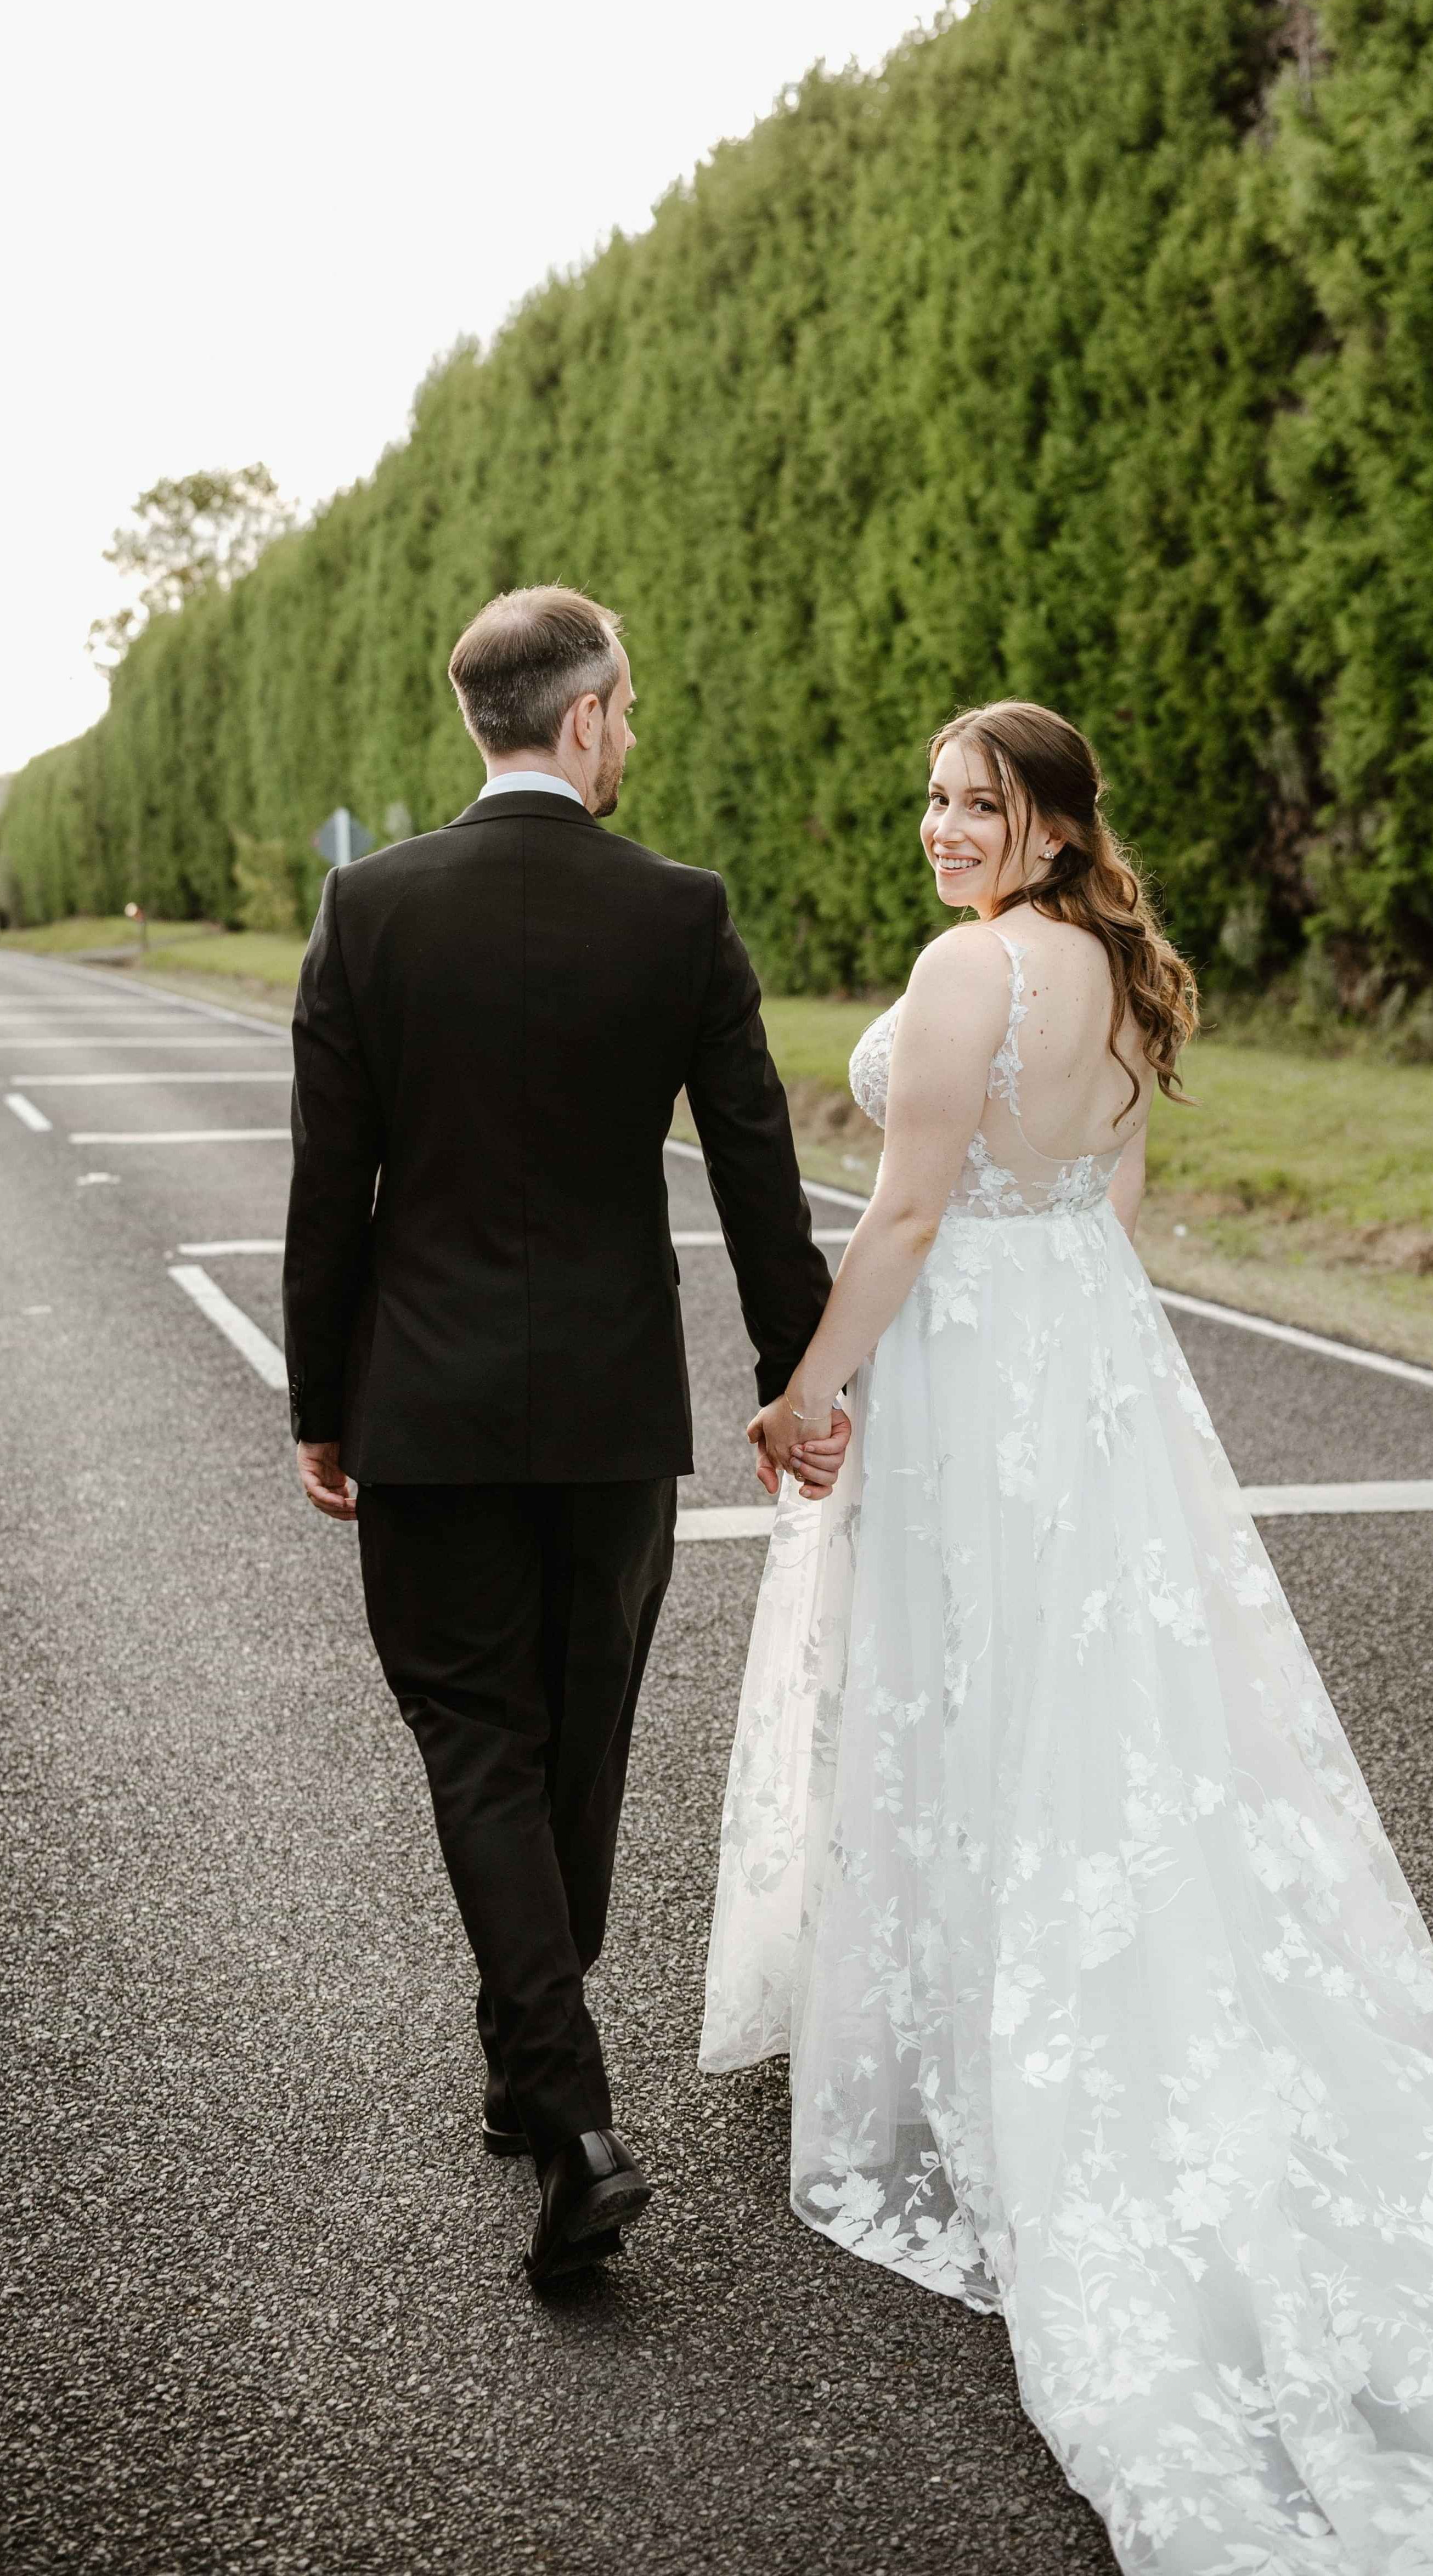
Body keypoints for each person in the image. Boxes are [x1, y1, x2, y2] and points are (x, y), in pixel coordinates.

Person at [702, 701, 1433, 2572]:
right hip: (1086, 1369)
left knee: (978, 1704)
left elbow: (895, 1218)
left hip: (980, 1364)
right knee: (1099, 1720)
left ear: (1048, 826)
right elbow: (1110, 1204)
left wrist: (805, 1392)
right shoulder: (1116, 980)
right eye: (938, 800)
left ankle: (1003, 2038)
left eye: (982, 804)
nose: (945, 828)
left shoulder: (973, 969)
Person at [283, 584, 847, 2288]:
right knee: (575, 1732)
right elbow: (755, 1164)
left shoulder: (367, 906)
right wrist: (793, 1376)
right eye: (631, 709)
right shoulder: (680, 912)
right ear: (589, 714)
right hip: (610, 1414)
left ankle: (556, 2091)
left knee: (478, 1742)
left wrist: (323, 1406)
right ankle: (552, 2077)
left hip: (427, 1410)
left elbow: (333, 1193)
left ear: (485, 722)